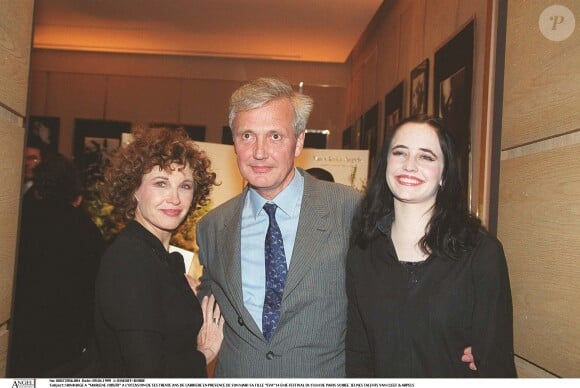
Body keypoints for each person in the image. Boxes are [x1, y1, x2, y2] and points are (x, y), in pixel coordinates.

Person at [196, 78, 360, 377]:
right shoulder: (213, 226)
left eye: (275, 136)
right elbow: (209, 304)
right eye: (247, 135)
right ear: (233, 141)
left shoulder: (348, 209)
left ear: (298, 142)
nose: (259, 152)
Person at [346, 115, 517, 377]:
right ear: (385, 165)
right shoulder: (363, 252)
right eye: (400, 153)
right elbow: (359, 353)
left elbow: (496, 364)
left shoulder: (481, 254)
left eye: (426, 157)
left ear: (444, 175)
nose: (409, 165)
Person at [94, 126, 224, 377]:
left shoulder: (159, 257)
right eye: (161, 183)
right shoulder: (129, 259)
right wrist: (205, 352)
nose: (174, 198)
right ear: (133, 189)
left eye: (185, 186)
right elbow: (147, 372)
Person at [9, 153, 105, 377]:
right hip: (68, 333)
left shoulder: (21, 220)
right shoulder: (86, 227)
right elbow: (94, 285)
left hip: (23, 328)